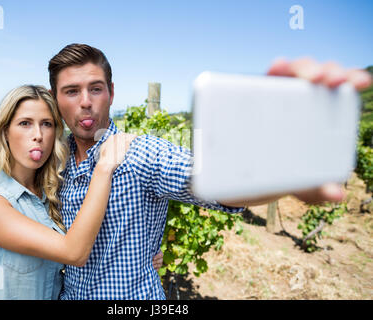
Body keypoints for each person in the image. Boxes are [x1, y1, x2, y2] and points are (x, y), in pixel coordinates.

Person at [47, 43, 372, 300]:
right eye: (72, 91)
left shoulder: (140, 154)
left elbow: (214, 180)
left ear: (111, 93)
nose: (86, 101)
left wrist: (281, 168)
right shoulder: (55, 162)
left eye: (96, 89)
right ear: (56, 99)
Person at [0, 84, 162, 300]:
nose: (38, 135)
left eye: (47, 124)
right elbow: (74, 253)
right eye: (25, 123)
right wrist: (104, 166)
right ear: (5, 131)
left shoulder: (52, 195)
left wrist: (141, 256)